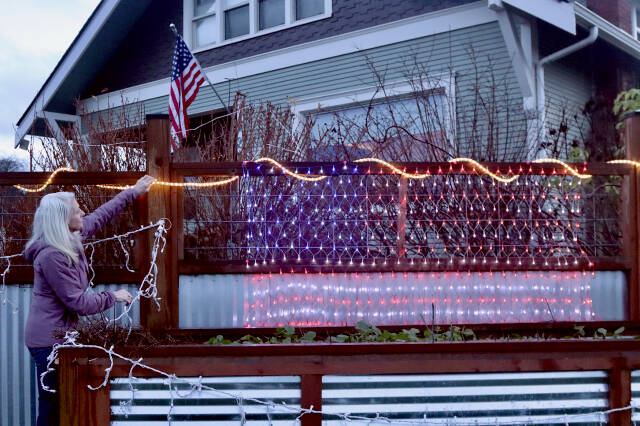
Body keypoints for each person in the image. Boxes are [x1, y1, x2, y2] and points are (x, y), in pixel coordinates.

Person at [23, 175, 155, 426]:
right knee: (52, 407)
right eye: (76, 210)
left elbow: (101, 215)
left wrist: (133, 192)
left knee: (65, 404)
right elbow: (78, 303)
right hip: (48, 342)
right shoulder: (52, 256)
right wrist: (112, 296)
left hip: (61, 337)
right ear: (62, 220)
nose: (82, 212)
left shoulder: (70, 239)